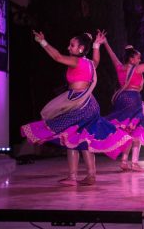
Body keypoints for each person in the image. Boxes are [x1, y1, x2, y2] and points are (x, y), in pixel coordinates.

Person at [21, 31, 131, 186]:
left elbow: (57, 57)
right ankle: (91, 176)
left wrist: (43, 42)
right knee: (83, 139)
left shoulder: (77, 62)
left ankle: (73, 177)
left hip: (79, 104)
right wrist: (96, 45)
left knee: (70, 136)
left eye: (72, 45)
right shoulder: (90, 64)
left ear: (80, 49)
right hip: (90, 104)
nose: (68, 47)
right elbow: (97, 59)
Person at [102, 33, 144, 172]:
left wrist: (105, 42)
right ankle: (134, 163)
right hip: (133, 99)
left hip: (121, 100)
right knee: (137, 131)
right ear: (132, 58)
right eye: (138, 57)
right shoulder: (137, 69)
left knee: (128, 131)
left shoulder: (119, 67)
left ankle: (124, 161)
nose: (140, 59)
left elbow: (112, 55)